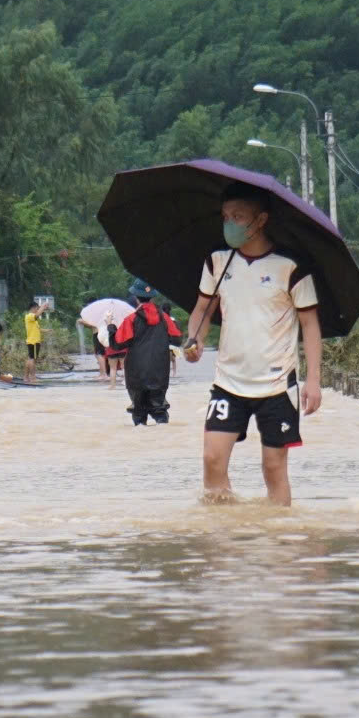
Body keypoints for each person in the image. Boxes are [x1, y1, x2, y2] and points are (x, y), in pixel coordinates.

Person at [182, 184, 323, 506]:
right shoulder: (217, 261)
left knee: (273, 468)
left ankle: (277, 540)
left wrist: (313, 380)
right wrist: (195, 339)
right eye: (225, 217)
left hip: (276, 384)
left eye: (238, 217)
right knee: (212, 459)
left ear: (260, 220)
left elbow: (310, 325)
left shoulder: (291, 266)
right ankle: (224, 536)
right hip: (228, 381)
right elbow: (203, 310)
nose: (229, 223)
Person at [110, 279, 184, 426]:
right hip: (159, 372)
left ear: (136, 297)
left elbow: (117, 345)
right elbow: (177, 340)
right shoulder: (165, 318)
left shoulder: (131, 319)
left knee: (139, 413)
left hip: (136, 373)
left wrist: (110, 327)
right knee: (160, 411)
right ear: (152, 297)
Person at [21, 301, 46, 382]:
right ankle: (33, 377)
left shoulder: (33, 320)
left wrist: (47, 330)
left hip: (33, 341)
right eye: (37, 308)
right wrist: (43, 307)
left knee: (30, 359)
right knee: (32, 360)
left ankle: (26, 377)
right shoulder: (30, 316)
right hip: (34, 341)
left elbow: (38, 329)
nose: (37, 310)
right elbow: (37, 315)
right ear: (33, 308)